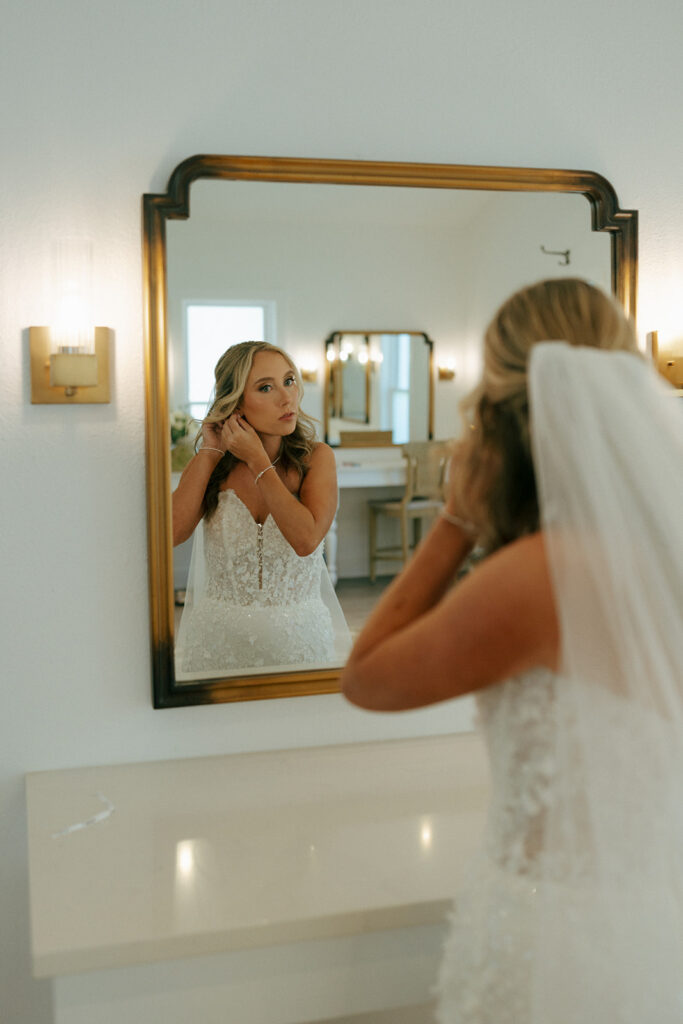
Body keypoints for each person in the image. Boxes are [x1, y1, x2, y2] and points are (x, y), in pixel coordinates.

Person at [340, 278, 683, 1022]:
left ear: (499, 415)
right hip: (654, 917)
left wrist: (455, 518)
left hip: (550, 938)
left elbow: (366, 678)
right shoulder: (661, 558)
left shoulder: (541, 575)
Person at [173, 341, 350, 677]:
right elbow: (170, 533)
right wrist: (210, 452)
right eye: (266, 387)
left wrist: (258, 461)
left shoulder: (317, 458)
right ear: (236, 402)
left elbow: (306, 540)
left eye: (289, 381)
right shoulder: (215, 466)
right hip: (217, 645)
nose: (286, 398)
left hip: (299, 643)